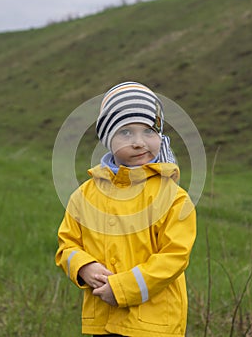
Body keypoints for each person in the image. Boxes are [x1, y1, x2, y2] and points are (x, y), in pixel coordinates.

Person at [55, 81, 197, 337]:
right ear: (107, 139)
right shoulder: (84, 196)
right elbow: (67, 244)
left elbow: (174, 257)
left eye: (149, 131)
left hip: (153, 324)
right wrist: (83, 267)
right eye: (125, 132)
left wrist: (123, 288)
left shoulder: (174, 198)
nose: (139, 142)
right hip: (101, 320)